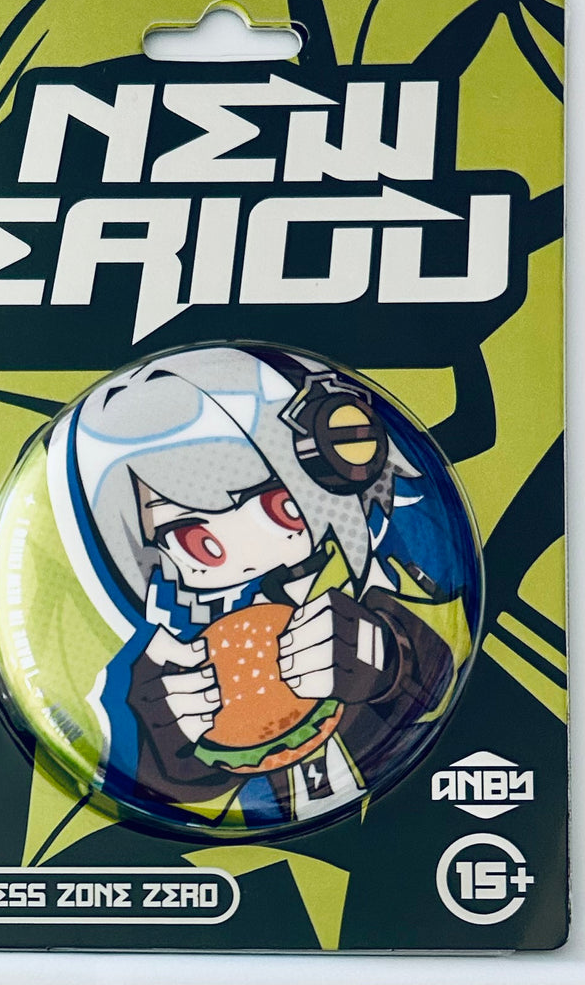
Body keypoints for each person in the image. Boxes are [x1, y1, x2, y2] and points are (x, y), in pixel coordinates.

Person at [46, 345, 479, 828]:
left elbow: (448, 634)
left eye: (280, 507)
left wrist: (393, 659)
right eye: (199, 541)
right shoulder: (170, 652)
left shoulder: (390, 568)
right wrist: (157, 749)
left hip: (399, 808)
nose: (249, 547)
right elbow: (125, 758)